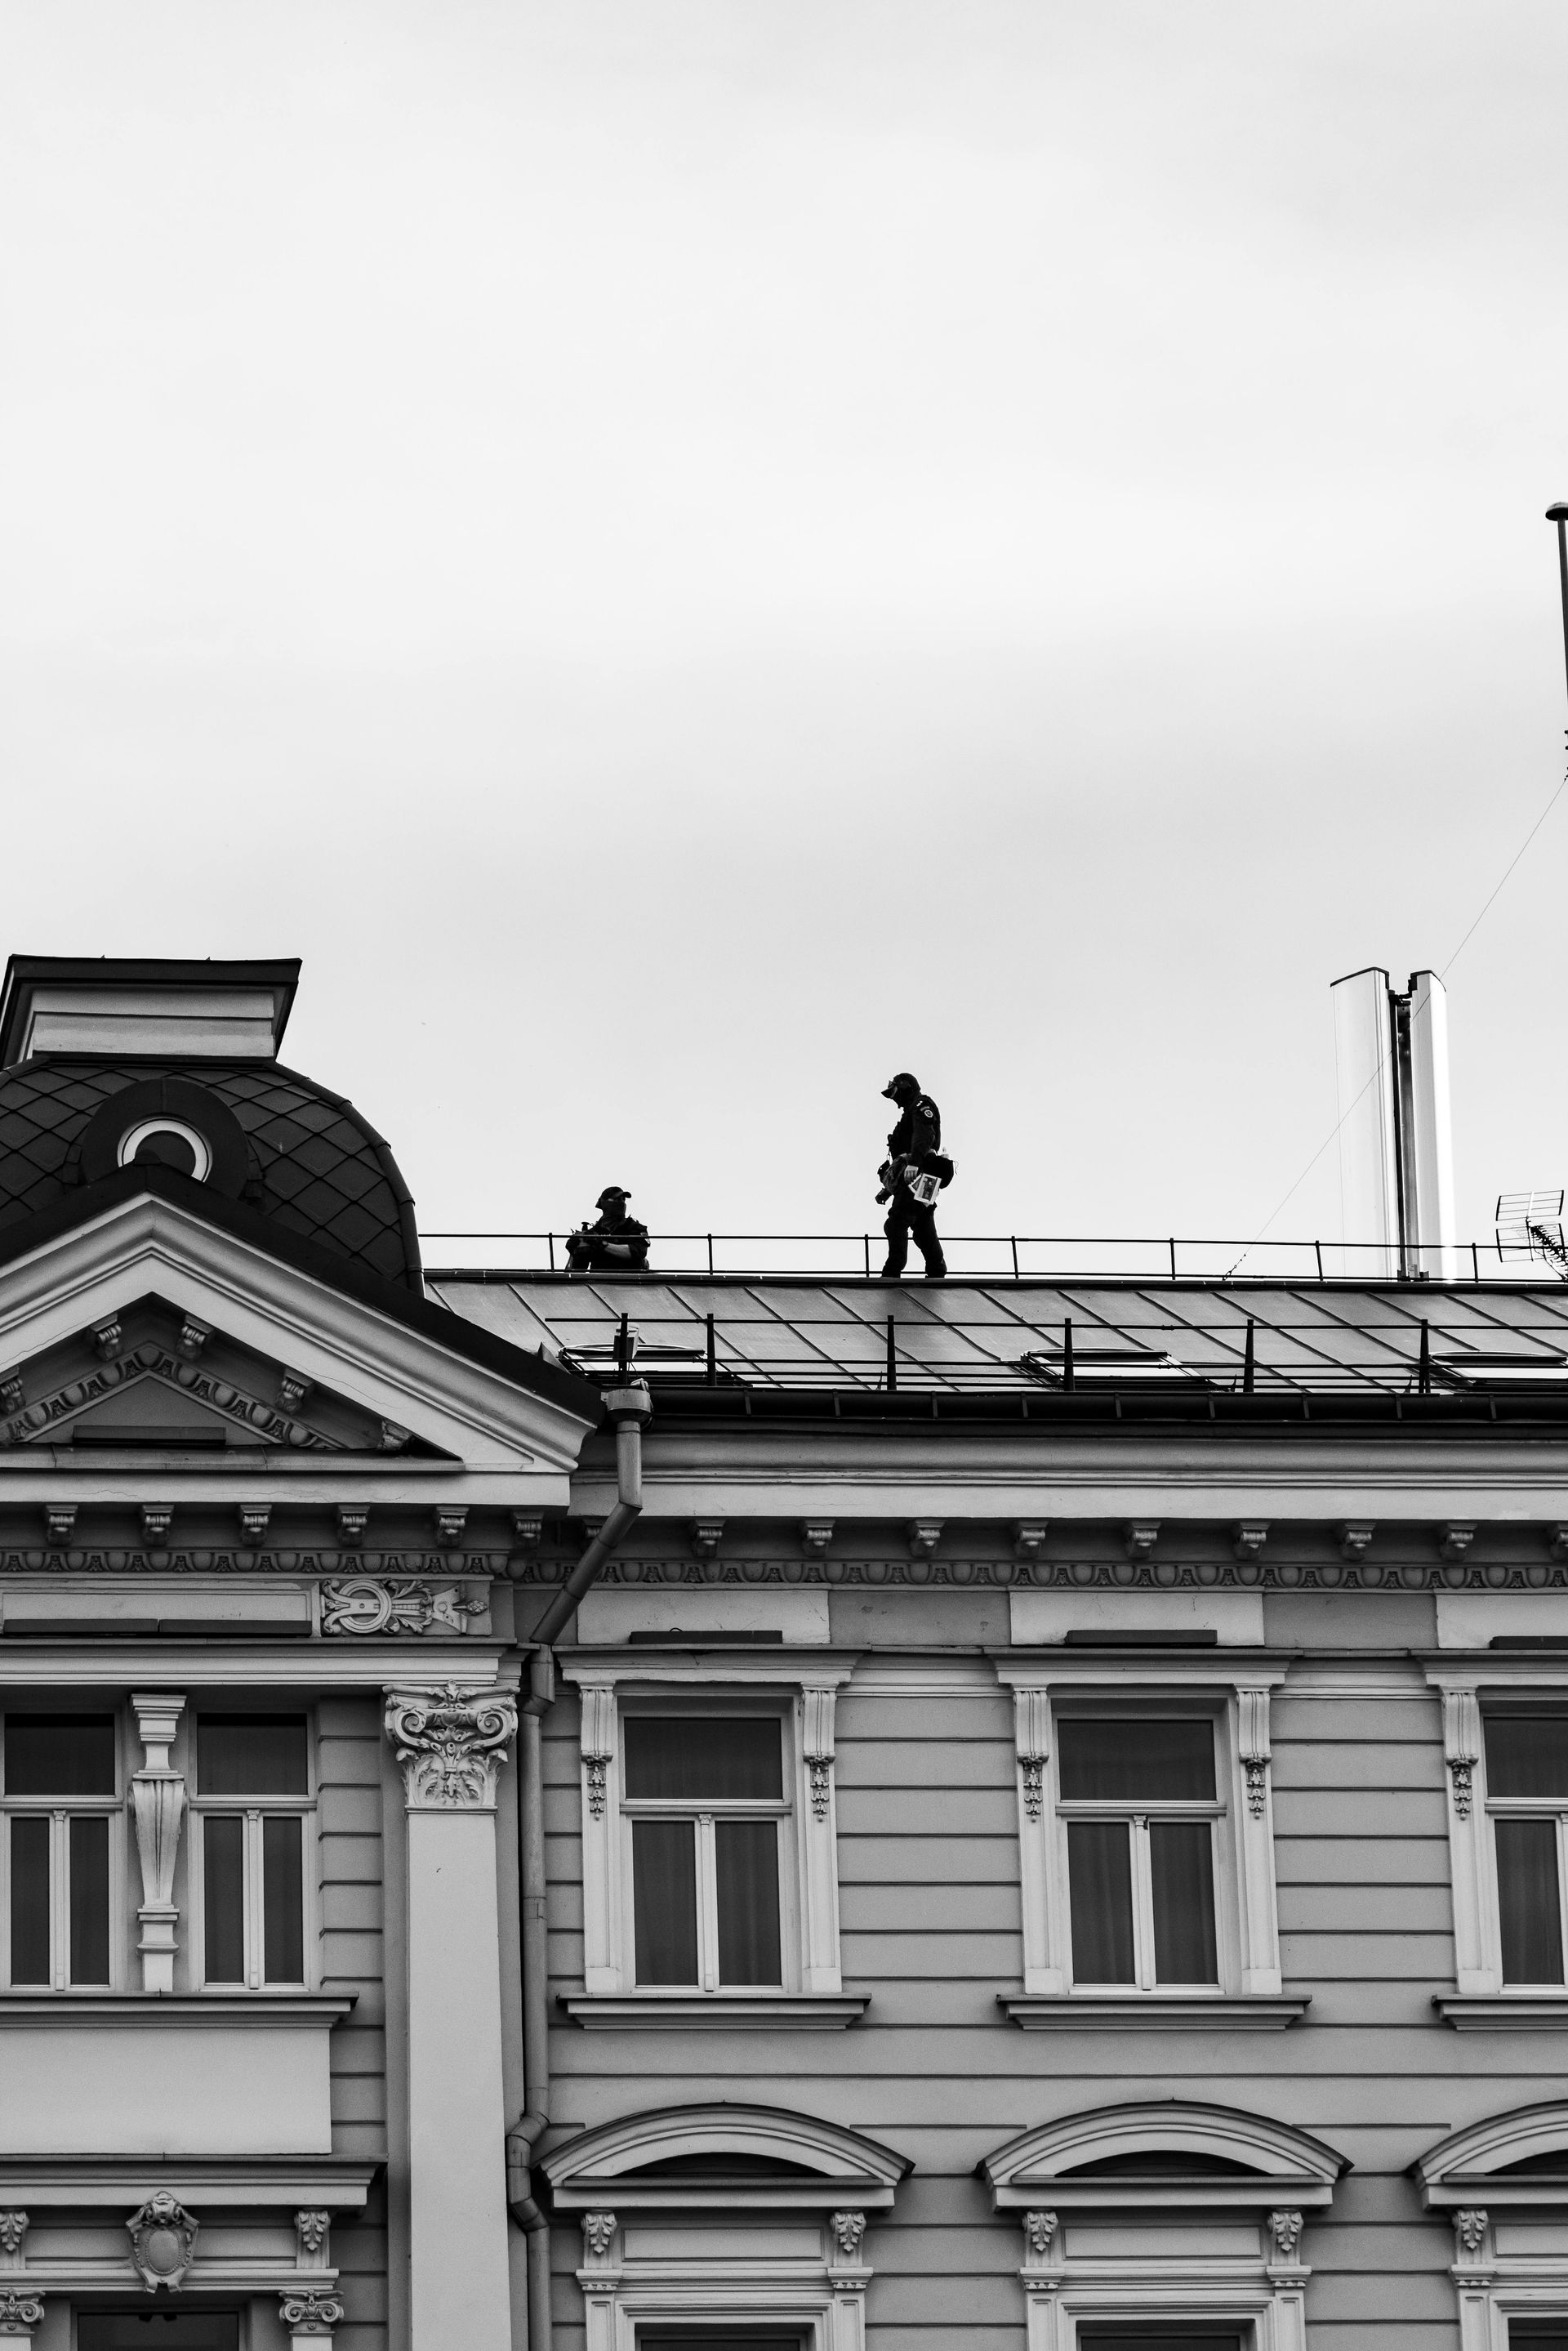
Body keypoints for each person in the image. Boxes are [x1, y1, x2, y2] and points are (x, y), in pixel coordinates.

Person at [877, 1073, 948, 1279]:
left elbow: (925, 1136)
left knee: (896, 1222)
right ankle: (937, 1270)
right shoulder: (910, 1110)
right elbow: (901, 1162)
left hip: (921, 1174)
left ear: (905, 1088)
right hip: (927, 1178)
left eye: (895, 1093)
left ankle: (892, 1272)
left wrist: (915, 1164)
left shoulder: (920, 1105)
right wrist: (888, 1190)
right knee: (922, 1223)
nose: (894, 1099)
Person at [566, 1187, 650, 1274]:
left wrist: (601, 1244)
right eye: (617, 1199)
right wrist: (575, 1252)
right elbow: (577, 1272)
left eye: (623, 1200)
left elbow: (638, 1252)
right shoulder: (592, 1233)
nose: (621, 1203)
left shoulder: (634, 1228)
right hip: (600, 1282)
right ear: (604, 1203)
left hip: (631, 1281)